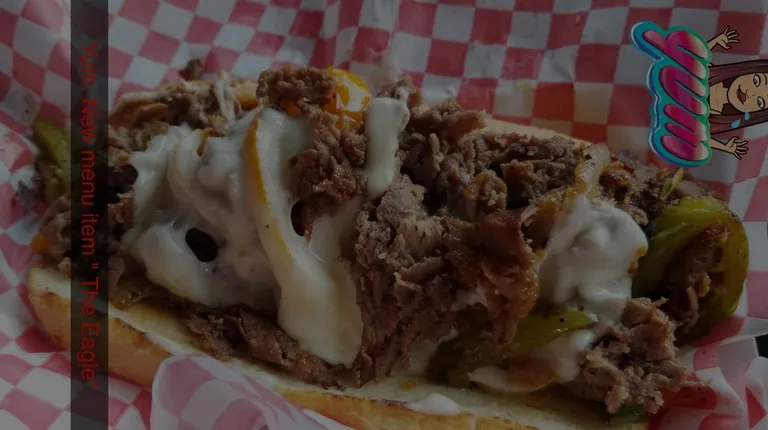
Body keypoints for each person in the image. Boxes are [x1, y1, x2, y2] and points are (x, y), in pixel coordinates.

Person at [706, 27, 767, 159]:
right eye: (756, 81)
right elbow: (695, 56)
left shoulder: (719, 119)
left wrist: (726, 148)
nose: (750, 93)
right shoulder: (709, 73)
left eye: (760, 102)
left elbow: (701, 137)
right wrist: (716, 41)